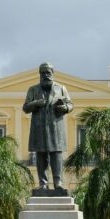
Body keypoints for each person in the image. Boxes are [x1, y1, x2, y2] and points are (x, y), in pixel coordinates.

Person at [23, 62, 73, 193]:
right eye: (43, 73)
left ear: (52, 74)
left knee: (56, 155)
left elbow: (70, 104)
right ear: (40, 74)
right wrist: (36, 103)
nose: (45, 75)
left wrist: (65, 107)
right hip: (39, 128)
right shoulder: (33, 90)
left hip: (56, 128)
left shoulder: (61, 88)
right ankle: (43, 184)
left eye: (48, 73)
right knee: (41, 155)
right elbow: (26, 108)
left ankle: (58, 183)